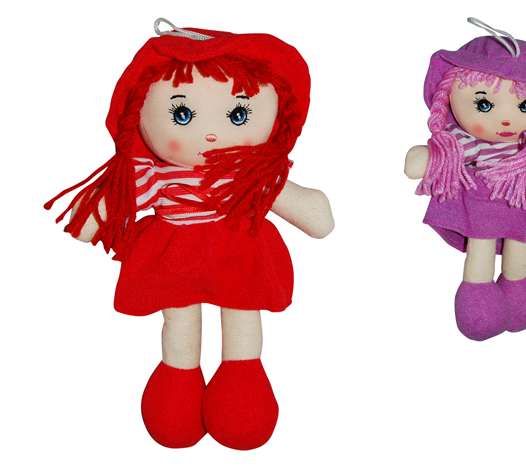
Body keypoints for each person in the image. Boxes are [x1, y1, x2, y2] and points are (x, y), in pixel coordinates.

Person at [45, 19, 334, 450]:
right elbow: (113, 202)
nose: (212, 134)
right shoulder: (155, 175)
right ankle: (178, 379)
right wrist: (91, 217)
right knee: (179, 320)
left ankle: (242, 376)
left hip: (238, 252)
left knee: (241, 312)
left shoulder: (252, 175)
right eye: (182, 115)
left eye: (238, 114)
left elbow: (318, 219)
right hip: (176, 255)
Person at [404, 18, 526, 341]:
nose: (506, 119)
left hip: (525, 207)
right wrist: (430, 155)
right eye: (483, 104)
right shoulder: (464, 143)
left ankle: (517, 286)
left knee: (520, 249)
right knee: (480, 246)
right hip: (480, 211)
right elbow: (424, 161)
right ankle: (478, 293)